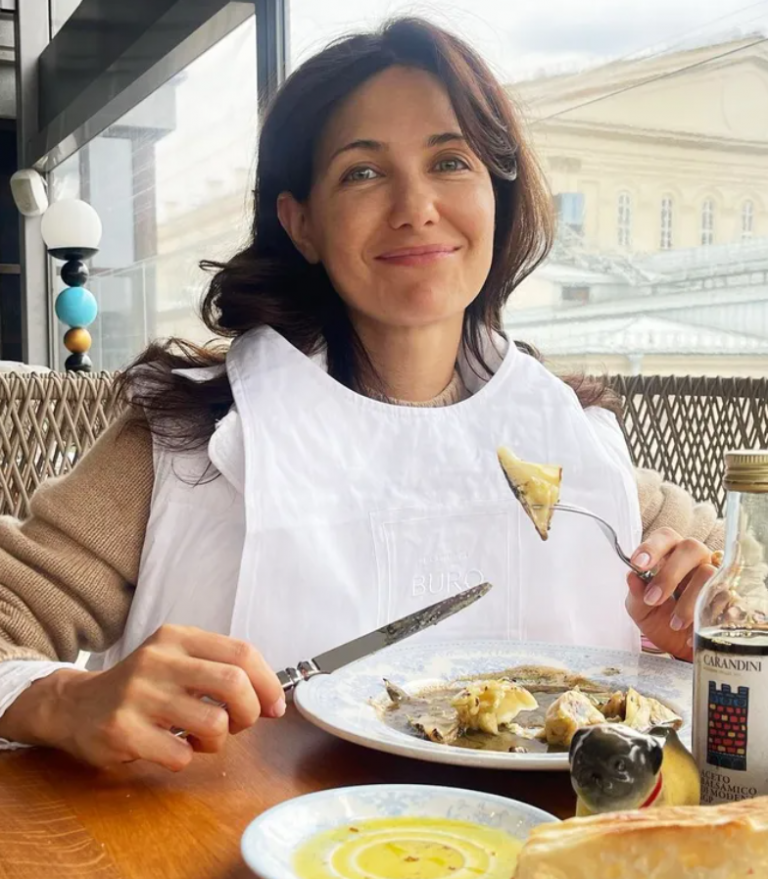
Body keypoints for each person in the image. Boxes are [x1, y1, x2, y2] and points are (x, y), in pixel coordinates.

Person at [0, 18, 723, 772]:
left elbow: (740, 596)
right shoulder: (189, 438)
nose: (416, 206)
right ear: (301, 223)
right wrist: (64, 697)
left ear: (498, 200)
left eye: (451, 161)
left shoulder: (573, 442)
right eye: (364, 172)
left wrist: (705, 624)